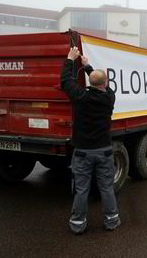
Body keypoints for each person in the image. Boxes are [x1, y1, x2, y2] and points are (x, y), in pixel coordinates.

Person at [61, 47, 120, 235]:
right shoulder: (110, 97)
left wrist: (70, 59)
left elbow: (65, 82)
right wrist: (88, 67)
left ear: (90, 83)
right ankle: (111, 221)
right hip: (104, 151)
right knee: (106, 188)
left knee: (81, 189)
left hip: (83, 152)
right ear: (106, 83)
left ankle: (78, 224)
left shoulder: (81, 97)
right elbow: (100, 83)